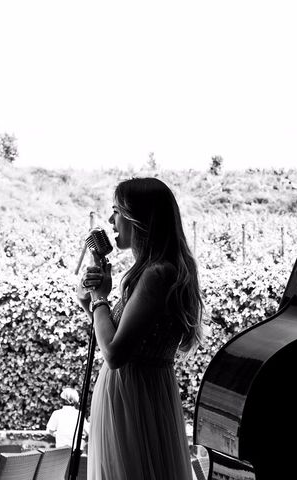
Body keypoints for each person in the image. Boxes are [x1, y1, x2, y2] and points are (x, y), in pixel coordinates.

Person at [76, 177, 204, 480]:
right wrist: (90, 301)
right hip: (140, 392)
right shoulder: (155, 272)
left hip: (132, 397)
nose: (110, 220)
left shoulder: (157, 274)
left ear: (141, 219)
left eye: (117, 210)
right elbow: (114, 336)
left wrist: (99, 299)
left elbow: (116, 353)